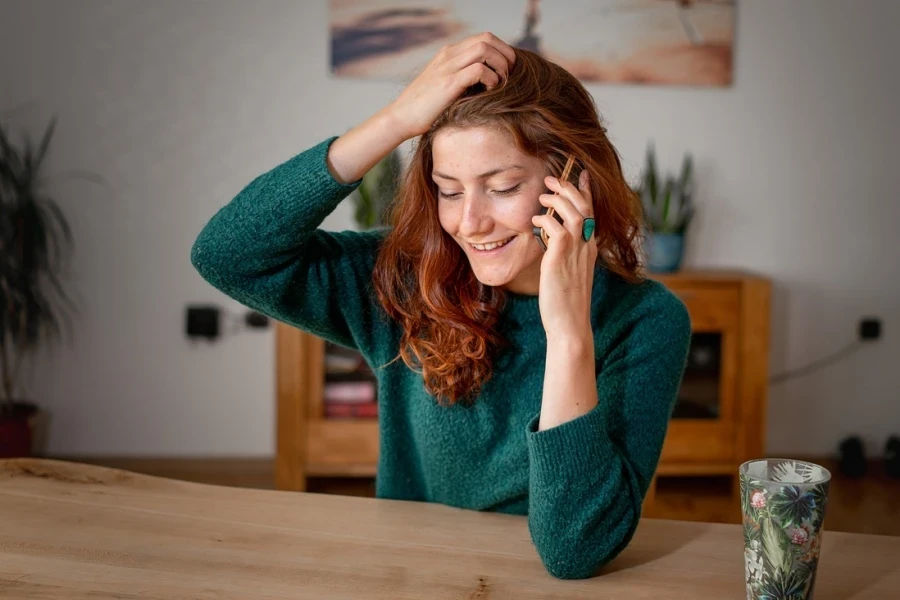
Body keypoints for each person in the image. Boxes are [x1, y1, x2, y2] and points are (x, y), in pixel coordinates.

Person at [191, 32, 691, 580]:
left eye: (501, 187)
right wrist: (398, 120)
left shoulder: (647, 321)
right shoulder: (406, 280)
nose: (469, 223)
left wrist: (568, 332)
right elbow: (227, 255)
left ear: (574, 182)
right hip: (410, 575)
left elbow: (575, 550)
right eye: (449, 190)